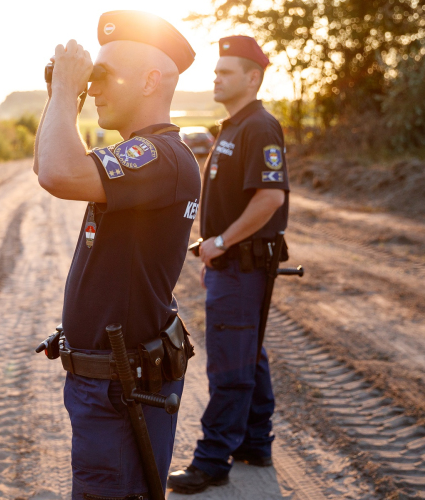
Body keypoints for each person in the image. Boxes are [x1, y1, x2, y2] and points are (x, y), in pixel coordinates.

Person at [33, 11, 201, 499]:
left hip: (120, 390)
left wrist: (69, 90)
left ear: (151, 81)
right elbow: (47, 162)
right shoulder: (142, 155)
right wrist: (60, 95)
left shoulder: (160, 155)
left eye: (103, 77)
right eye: (92, 78)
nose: (95, 88)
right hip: (105, 386)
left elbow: (59, 174)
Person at [167, 36, 290, 494]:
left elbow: (270, 197)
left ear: (252, 78)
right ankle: (255, 443)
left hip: (242, 265)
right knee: (248, 352)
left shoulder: (258, 127)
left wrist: (220, 242)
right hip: (231, 264)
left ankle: (212, 460)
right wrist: (215, 251)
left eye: (225, 72)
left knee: (230, 365)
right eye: (215, 71)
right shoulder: (234, 126)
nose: (215, 78)